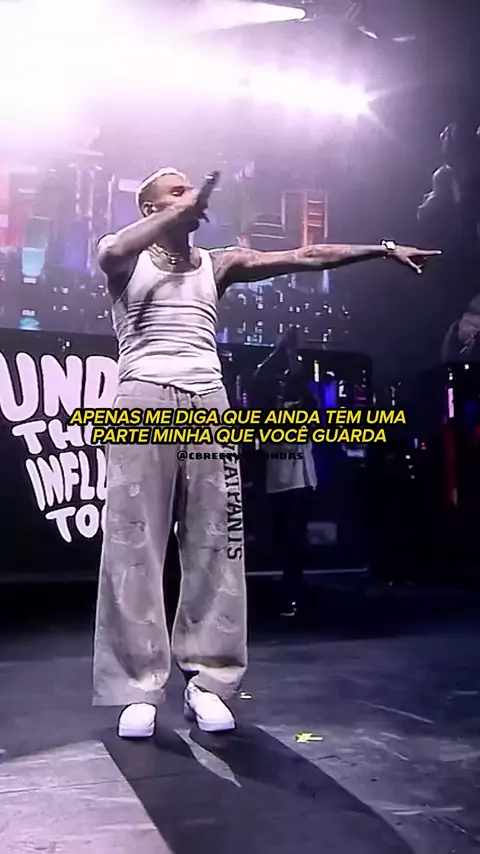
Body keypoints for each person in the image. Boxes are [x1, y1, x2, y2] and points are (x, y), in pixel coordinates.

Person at [93, 166, 441, 739]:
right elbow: (114, 250)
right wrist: (179, 212)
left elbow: (307, 256)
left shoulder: (217, 264)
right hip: (143, 397)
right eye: (176, 192)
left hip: (207, 400)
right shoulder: (123, 255)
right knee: (134, 545)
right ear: (150, 208)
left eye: (191, 189)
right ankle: (137, 687)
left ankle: (209, 680)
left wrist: (382, 249)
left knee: (215, 544)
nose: (190, 197)